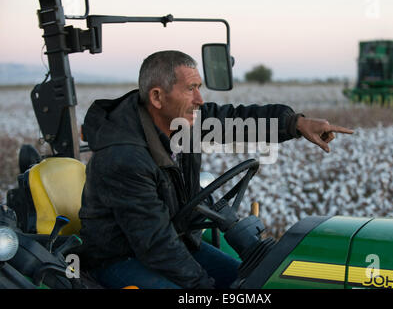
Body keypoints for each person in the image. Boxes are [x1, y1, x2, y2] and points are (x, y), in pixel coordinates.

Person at [78, 50, 354, 289]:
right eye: (190, 89)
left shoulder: (184, 121)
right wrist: (202, 286)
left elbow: (238, 119)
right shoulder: (124, 157)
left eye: (199, 87)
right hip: (121, 257)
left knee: (256, 280)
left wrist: (295, 123)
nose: (199, 98)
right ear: (158, 97)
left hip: (177, 243)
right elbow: (153, 243)